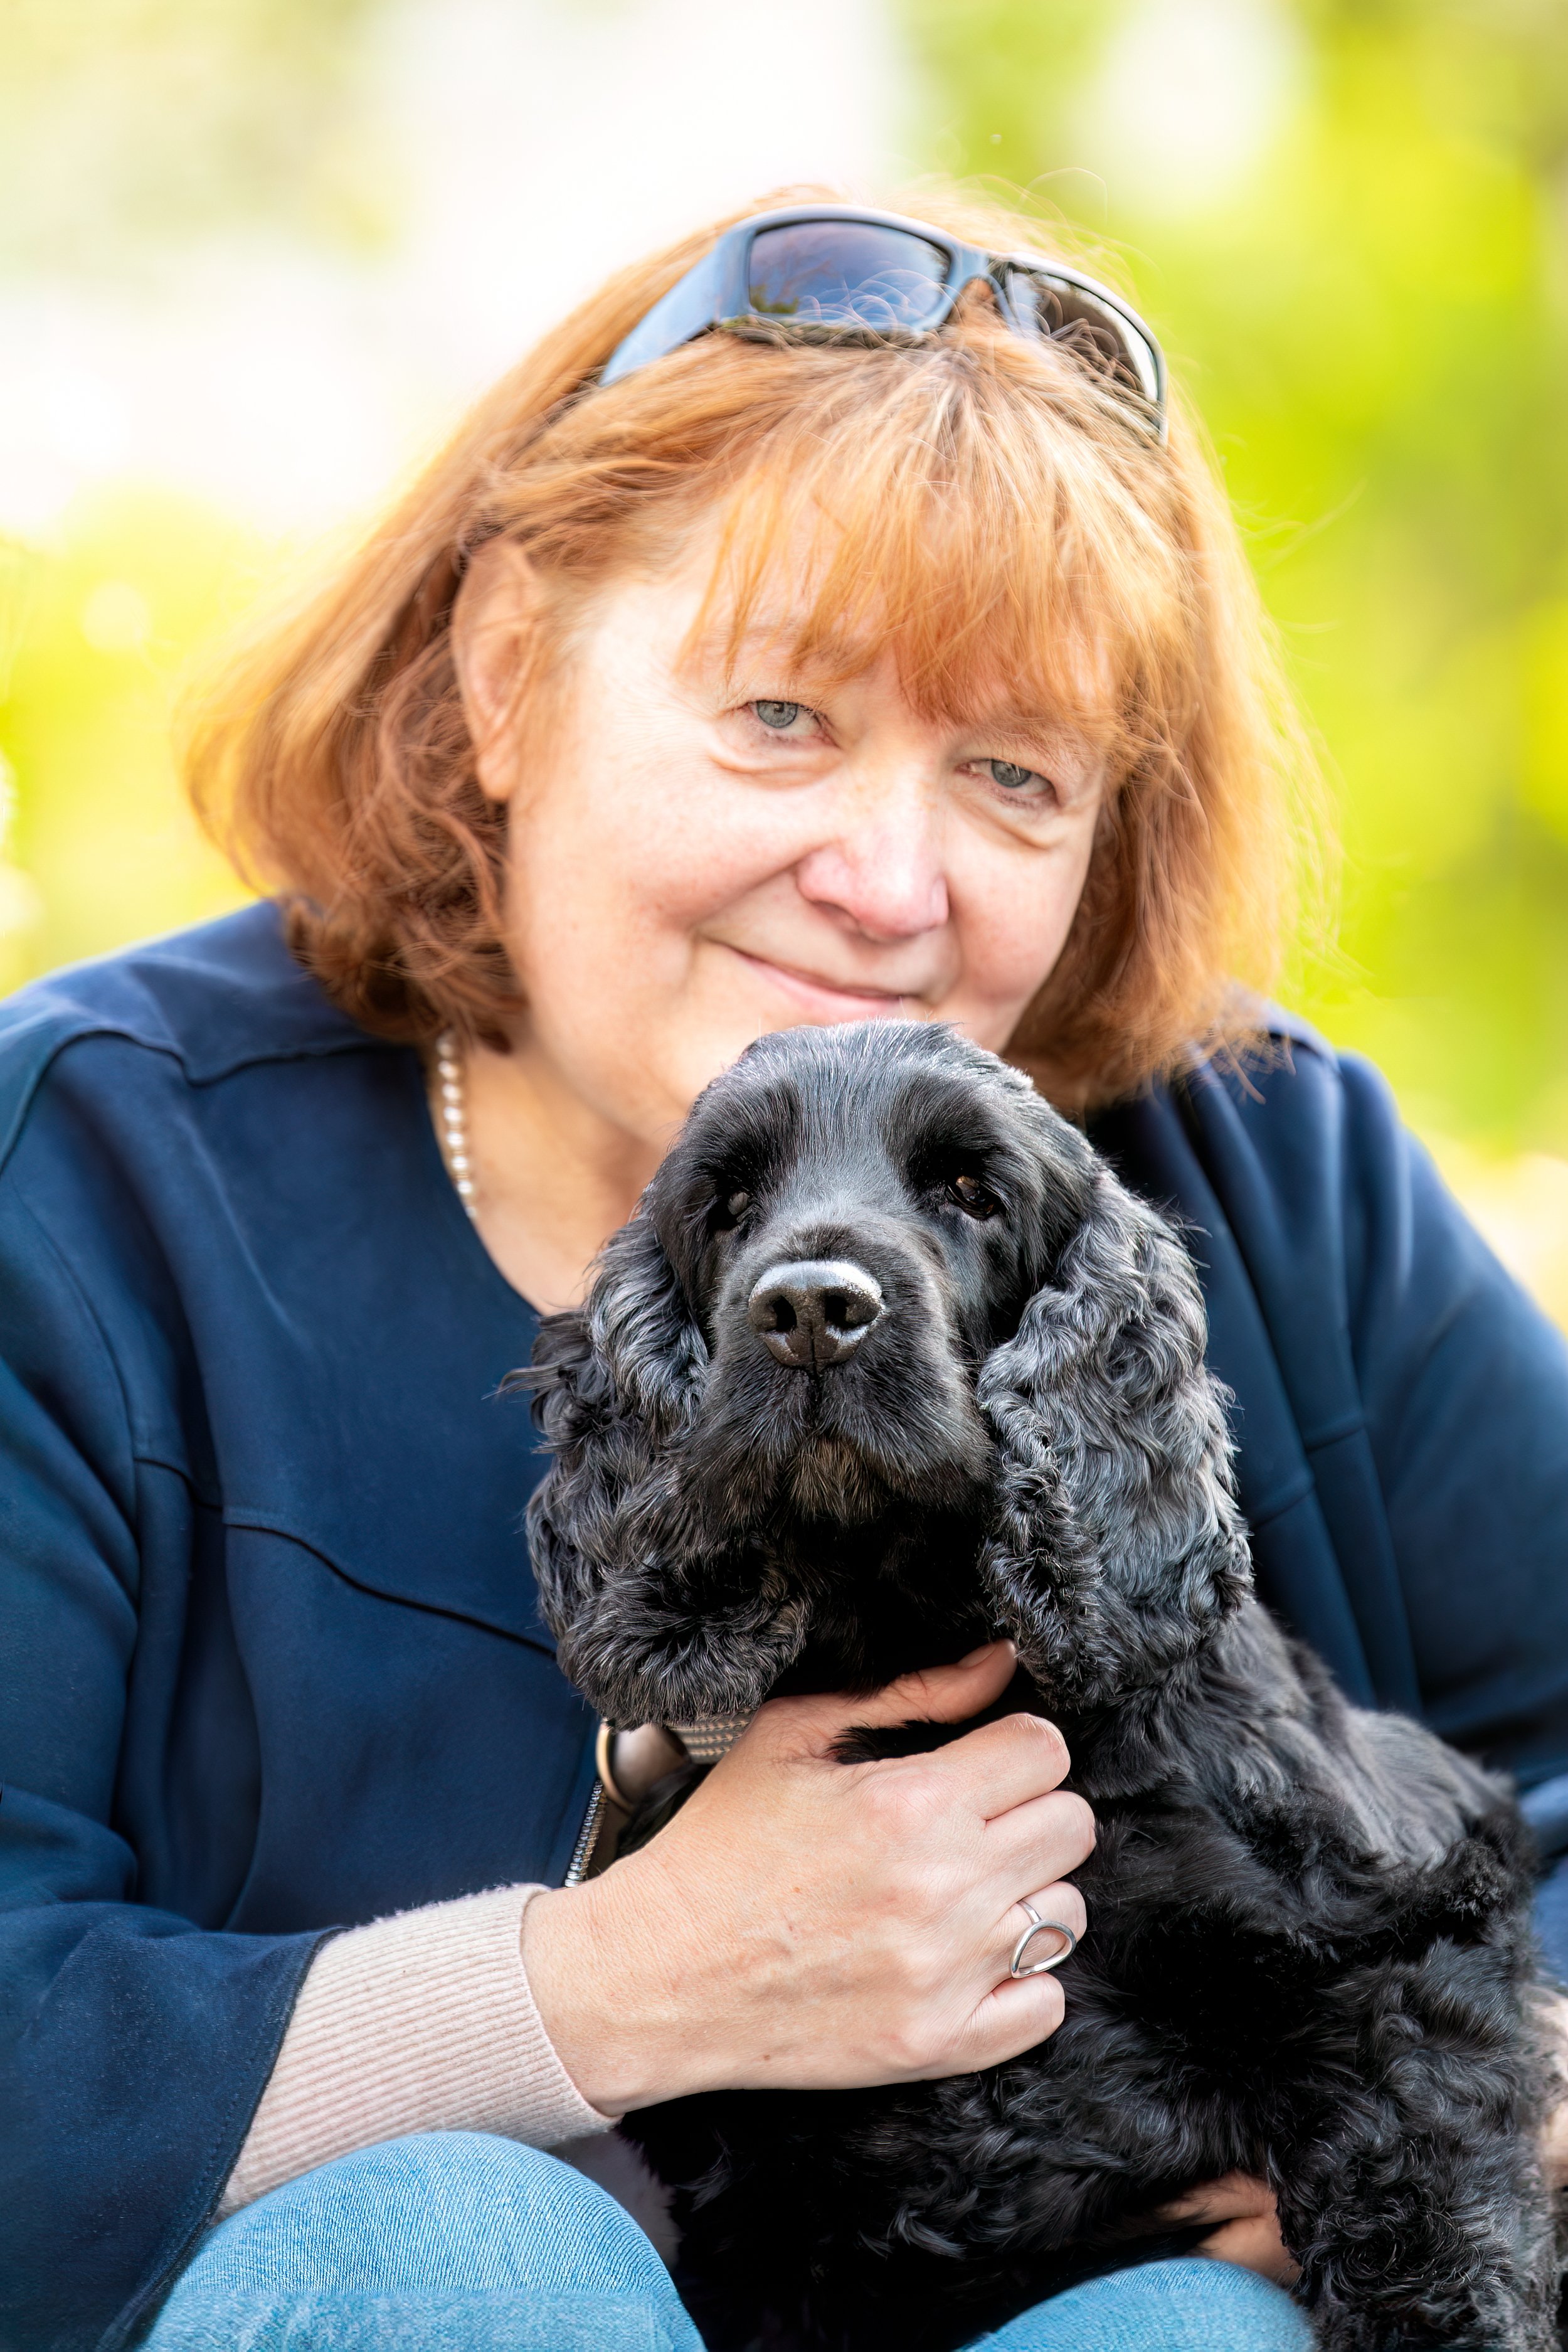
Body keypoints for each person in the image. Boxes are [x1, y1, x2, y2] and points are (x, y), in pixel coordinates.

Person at [3, 191, 1566, 2352]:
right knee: (457, 2258)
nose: (886, 879)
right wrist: (616, 1991)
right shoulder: (79, 1183)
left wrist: (1470, 2116)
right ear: (504, 674)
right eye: (781, 717)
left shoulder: (1267, 1173)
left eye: (1012, 773)